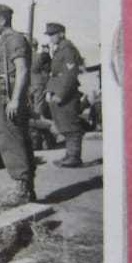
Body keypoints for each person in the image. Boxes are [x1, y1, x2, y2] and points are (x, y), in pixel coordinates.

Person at [0, 3, 37, 204]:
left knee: (12, 141)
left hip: (9, 98)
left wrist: (15, 100)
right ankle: (26, 188)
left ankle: (21, 189)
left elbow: (21, 69)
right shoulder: (3, 41)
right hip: (4, 97)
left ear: (2, 20)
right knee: (15, 139)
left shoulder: (13, 39)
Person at [45, 22, 86, 167]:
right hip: (59, 90)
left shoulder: (68, 49)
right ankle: (69, 155)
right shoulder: (60, 49)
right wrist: (50, 91)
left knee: (71, 125)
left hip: (67, 93)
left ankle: (74, 157)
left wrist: (61, 94)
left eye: (52, 35)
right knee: (64, 124)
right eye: (49, 35)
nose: (50, 38)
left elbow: (70, 74)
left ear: (61, 34)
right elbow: (55, 74)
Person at [30, 42, 52, 119]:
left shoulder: (25, 56)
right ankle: (37, 124)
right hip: (39, 83)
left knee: (30, 104)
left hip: (28, 84)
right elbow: (47, 70)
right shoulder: (39, 56)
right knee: (38, 105)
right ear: (36, 46)